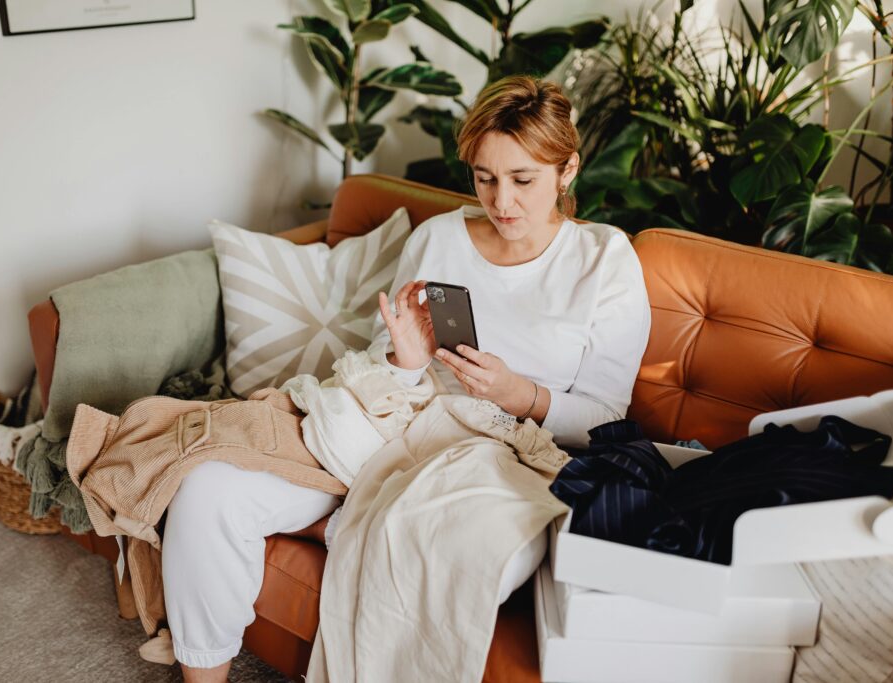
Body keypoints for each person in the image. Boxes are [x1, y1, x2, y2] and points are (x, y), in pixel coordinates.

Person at [160, 75, 651, 682]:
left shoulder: (605, 261)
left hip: (509, 456)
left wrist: (520, 394)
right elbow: (385, 363)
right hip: (392, 423)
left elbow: (607, 417)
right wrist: (406, 361)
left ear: (567, 170)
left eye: (524, 180)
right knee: (209, 488)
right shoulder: (439, 237)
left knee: (428, 545)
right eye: (484, 177)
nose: (502, 202)